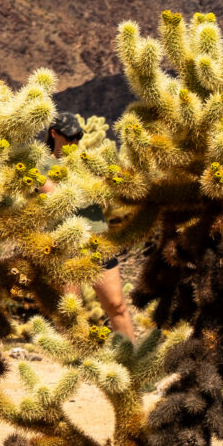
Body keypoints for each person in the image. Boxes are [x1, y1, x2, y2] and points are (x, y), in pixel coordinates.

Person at [47, 111, 139, 339]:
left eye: (78, 136)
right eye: (69, 136)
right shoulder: (41, 164)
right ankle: (78, 358)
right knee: (72, 312)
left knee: (117, 306)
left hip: (97, 241)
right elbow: (56, 195)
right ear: (54, 133)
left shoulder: (88, 161)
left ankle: (131, 355)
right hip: (66, 247)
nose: (74, 141)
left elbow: (108, 186)